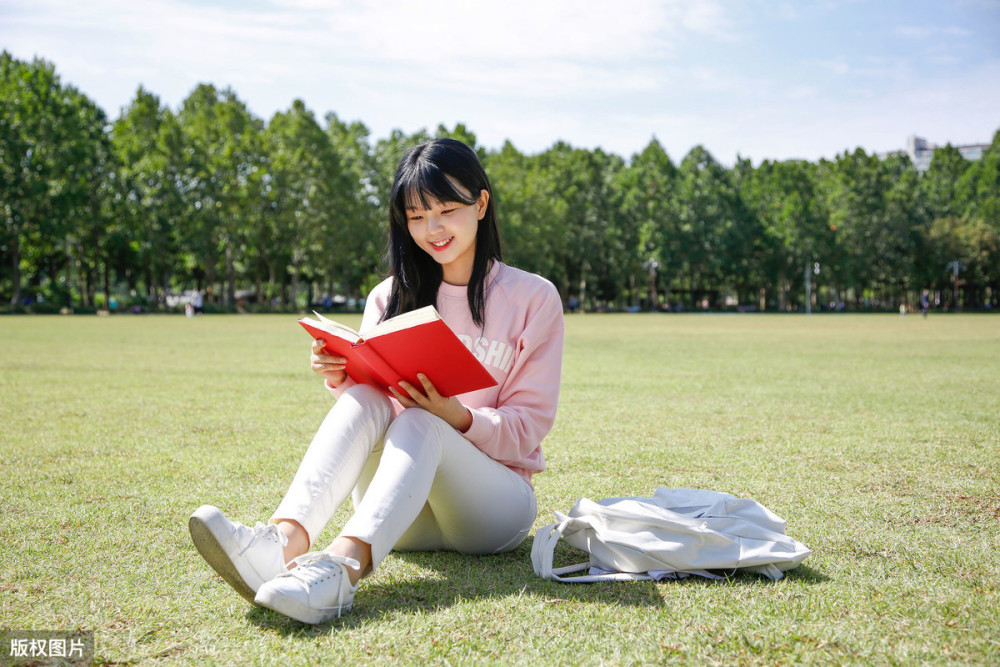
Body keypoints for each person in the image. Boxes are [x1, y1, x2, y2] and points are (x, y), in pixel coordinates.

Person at [188, 138, 564, 624]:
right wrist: (343, 374)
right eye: (416, 216)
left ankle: (339, 572)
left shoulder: (533, 297)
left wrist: (457, 415)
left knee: (425, 425)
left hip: (492, 510)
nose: (432, 229)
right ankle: (282, 543)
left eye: (447, 209)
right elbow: (378, 404)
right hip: (399, 511)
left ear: (481, 204)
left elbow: (528, 428)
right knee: (367, 397)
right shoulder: (390, 296)